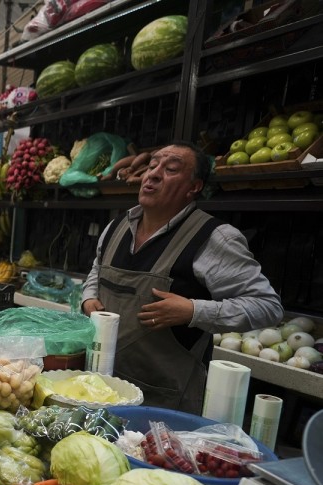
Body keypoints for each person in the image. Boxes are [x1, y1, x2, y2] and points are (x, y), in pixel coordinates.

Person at [81, 141, 283, 414]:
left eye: (171, 168)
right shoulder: (116, 226)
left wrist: (193, 310)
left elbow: (267, 307)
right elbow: (98, 267)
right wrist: (89, 296)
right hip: (100, 388)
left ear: (194, 187)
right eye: (152, 165)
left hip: (163, 401)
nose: (153, 174)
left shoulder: (213, 238)